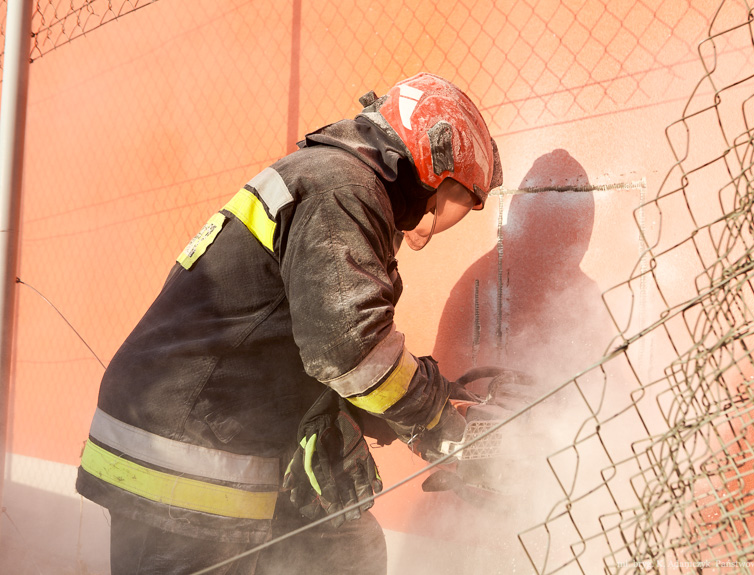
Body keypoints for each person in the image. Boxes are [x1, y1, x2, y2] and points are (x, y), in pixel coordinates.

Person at [75, 72, 503, 575]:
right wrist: (443, 425)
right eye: (457, 198)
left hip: (199, 427)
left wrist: (416, 408)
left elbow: (312, 344)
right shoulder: (344, 189)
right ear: (434, 158)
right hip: (182, 453)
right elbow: (350, 350)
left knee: (349, 546)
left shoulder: (332, 179)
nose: (440, 218)